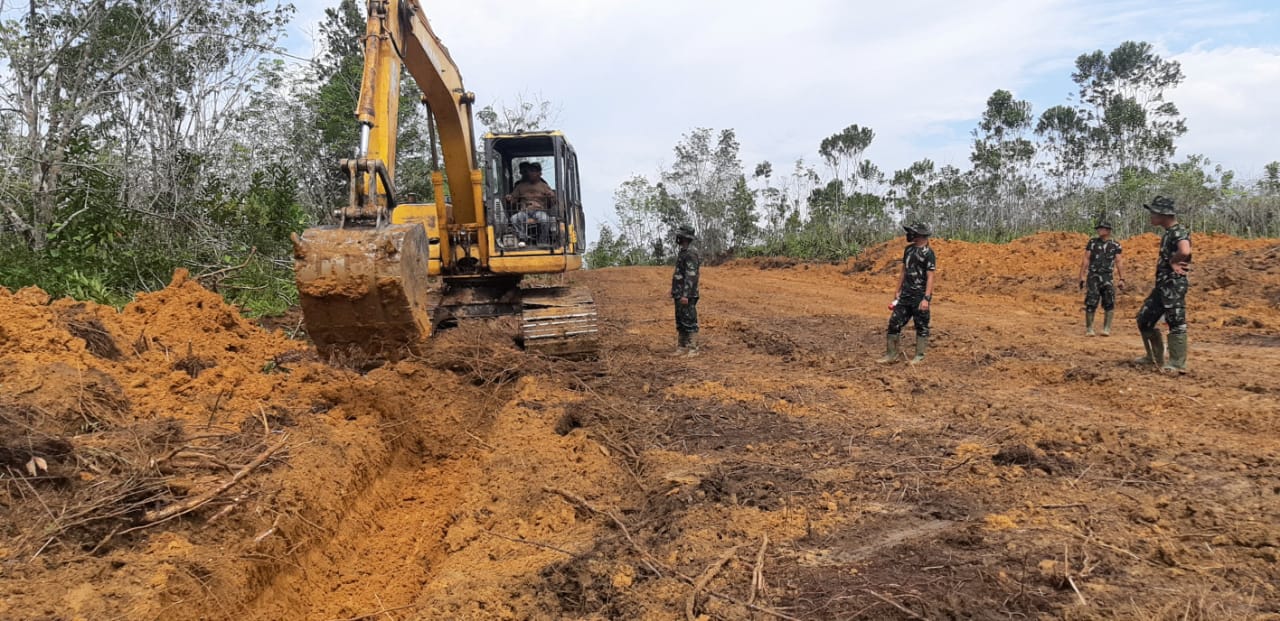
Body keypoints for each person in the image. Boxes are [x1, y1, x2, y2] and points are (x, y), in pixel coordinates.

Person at [1134, 195, 1192, 373]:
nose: (1151, 216)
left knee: (1176, 321)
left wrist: (1174, 261)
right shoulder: (1169, 233)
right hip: (1163, 286)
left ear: (1163, 214)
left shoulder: (1177, 231)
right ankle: (1153, 358)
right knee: (1144, 319)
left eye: (1153, 213)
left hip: (1173, 285)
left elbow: (1185, 250)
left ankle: (1177, 363)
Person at [878, 222, 936, 365]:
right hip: (905, 295)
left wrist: (926, 299)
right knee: (894, 322)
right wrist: (897, 290)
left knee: (921, 325)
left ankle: (919, 356)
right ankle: (891, 354)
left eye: (912, 232)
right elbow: (903, 271)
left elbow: (930, 277)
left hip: (919, 296)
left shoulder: (929, 254)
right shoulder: (908, 250)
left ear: (920, 235)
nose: (909, 235)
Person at [1078, 219, 1125, 336]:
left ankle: (1106, 329)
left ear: (1108, 230)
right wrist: (1081, 275)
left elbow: (1119, 261)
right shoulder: (1093, 243)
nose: (1099, 230)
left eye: (1102, 228)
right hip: (1093, 276)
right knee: (1091, 301)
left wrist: (1122, 278)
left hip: (1107, 277)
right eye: (1098, 228)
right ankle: (1089, 329)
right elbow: (1086, 259)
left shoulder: (1115, 244)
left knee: (1109, 301)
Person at [506, 161, 557, 243]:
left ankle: (542, 240)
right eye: (529, 171)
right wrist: (509, 198)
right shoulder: (520, 186)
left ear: (539, 173)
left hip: (539, 211)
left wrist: (551, 196)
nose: (530, 173)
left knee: (545, 220)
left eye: (533, 171)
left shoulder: (544, 186)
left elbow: (553, 202)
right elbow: (513, 199)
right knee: (514, 219)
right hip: (524, 211)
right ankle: (523, 238)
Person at [671, 224, 701, 356]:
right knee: (680, 320)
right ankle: (682, 347)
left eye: (680, 235)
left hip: (687, 294)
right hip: (679, 292)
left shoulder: (691, 253)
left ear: (685, 237)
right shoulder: (683, 251)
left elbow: (691, 275)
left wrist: (686, 295)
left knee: (689, 320)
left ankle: (693, 348)